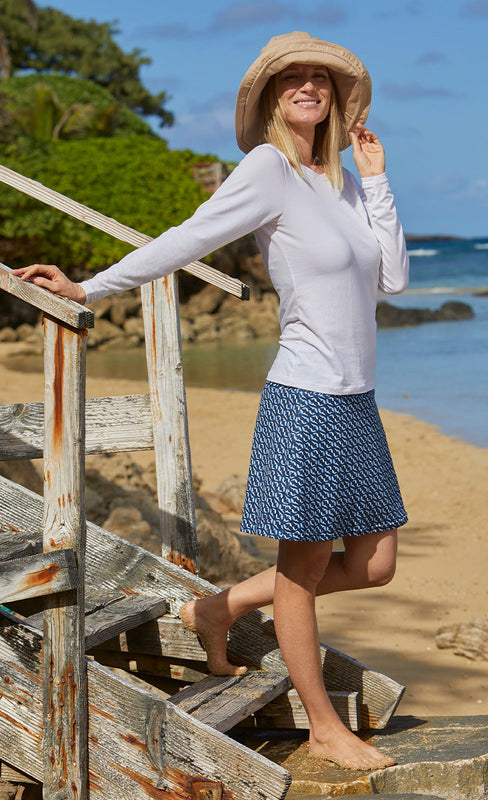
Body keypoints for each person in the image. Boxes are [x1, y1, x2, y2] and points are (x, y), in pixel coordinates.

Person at [13, 31, 409, 771]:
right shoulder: (267, 170)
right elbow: (187, 238)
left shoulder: (345, 184)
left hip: (357, 400)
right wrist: (90, 287)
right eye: (291, 77)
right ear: (270, 96)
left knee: (378, 562)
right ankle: (323, 726)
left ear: (333, 96)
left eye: (318, 77)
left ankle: (218, 609)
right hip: (305, 395)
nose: (307, 86)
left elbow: (392, 280)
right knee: (302, 572)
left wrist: (377, 178)